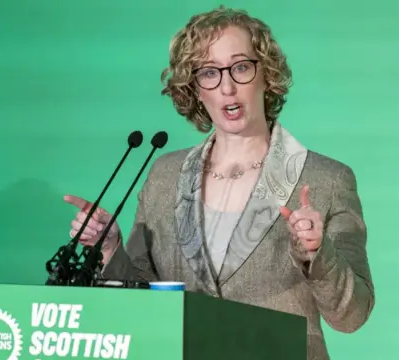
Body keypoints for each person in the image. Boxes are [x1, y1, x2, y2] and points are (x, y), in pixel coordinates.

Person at [63, 6, 374, 360]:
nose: (227, 87)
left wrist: (319, 254)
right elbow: (141, 296)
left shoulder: (325, 179)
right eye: (209, 73)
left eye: (241, 67)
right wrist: (109, 247)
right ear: (195, 88)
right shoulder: (165, 176)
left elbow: (352, 316)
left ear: (266, 75)